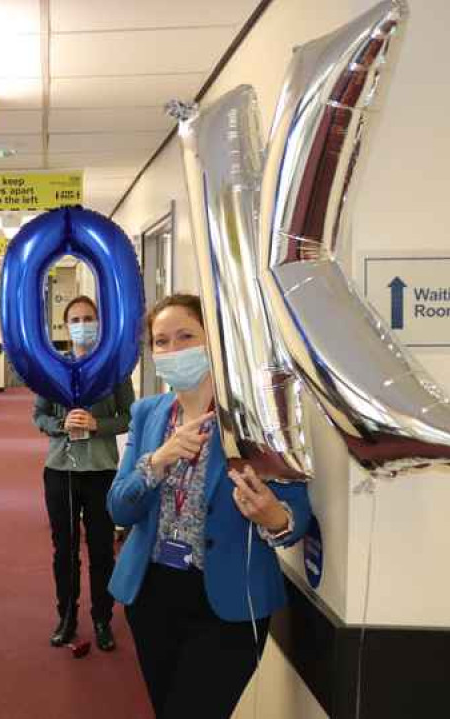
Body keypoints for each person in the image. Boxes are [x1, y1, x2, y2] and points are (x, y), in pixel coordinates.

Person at [107, 294, 312, 719]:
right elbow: (118, 509)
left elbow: (293, 519)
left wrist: (271, 516)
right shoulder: (147, 414)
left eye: (186, 336)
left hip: (229, 603)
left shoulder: (255, 420)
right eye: (161, 341)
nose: (173, 350)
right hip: (151, 594)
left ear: (213, 342)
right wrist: (157, 462)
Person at [33, 295, 136, 652]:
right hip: (60, 471)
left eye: (88, 317)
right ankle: (67, 617)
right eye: (75, 319)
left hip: (102, 471)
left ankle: (102, 618)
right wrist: (63, 424)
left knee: (102, 550)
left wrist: (97, 424)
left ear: (99, 322)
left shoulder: (115, 368)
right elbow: (38, 417)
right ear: (66, 326)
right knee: (64, 549)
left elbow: (128, 415)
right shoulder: (52, 368)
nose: (82, 324)